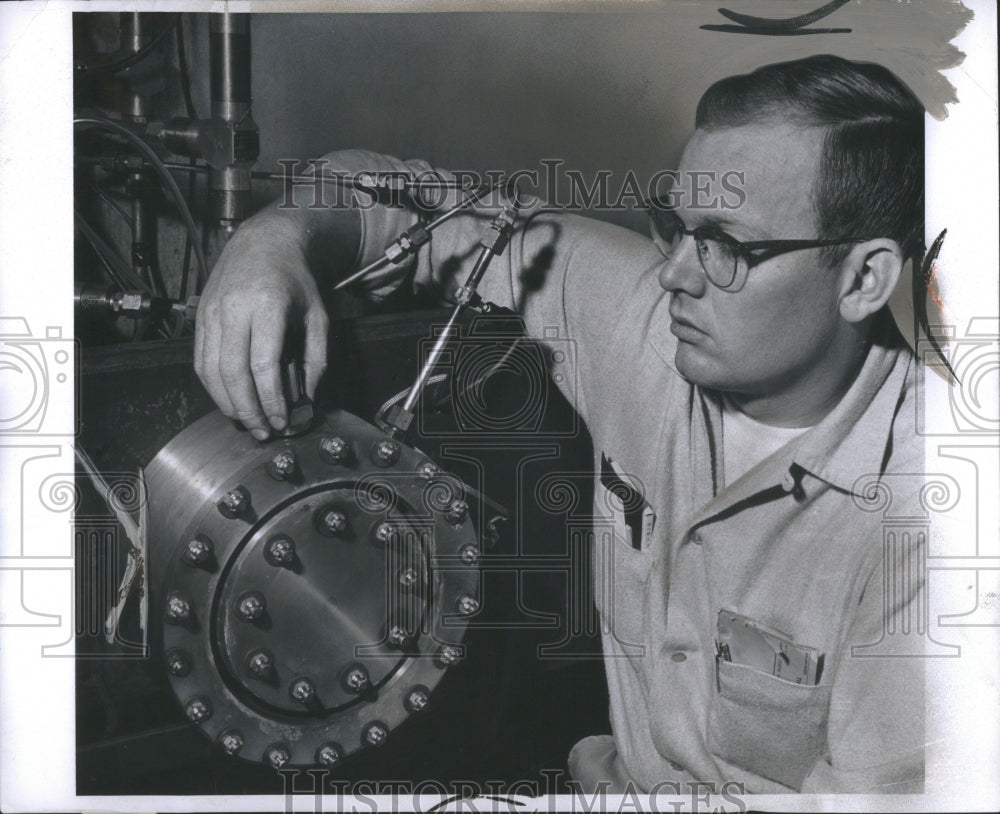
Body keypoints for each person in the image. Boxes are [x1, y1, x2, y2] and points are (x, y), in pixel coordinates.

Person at [194, 55, 927, 794]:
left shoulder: (926, 528)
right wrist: (269, 245)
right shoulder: (652, 325)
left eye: (728, 247)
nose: (675, 272)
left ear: (864, 279)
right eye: (674, 224)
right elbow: (407, 199)